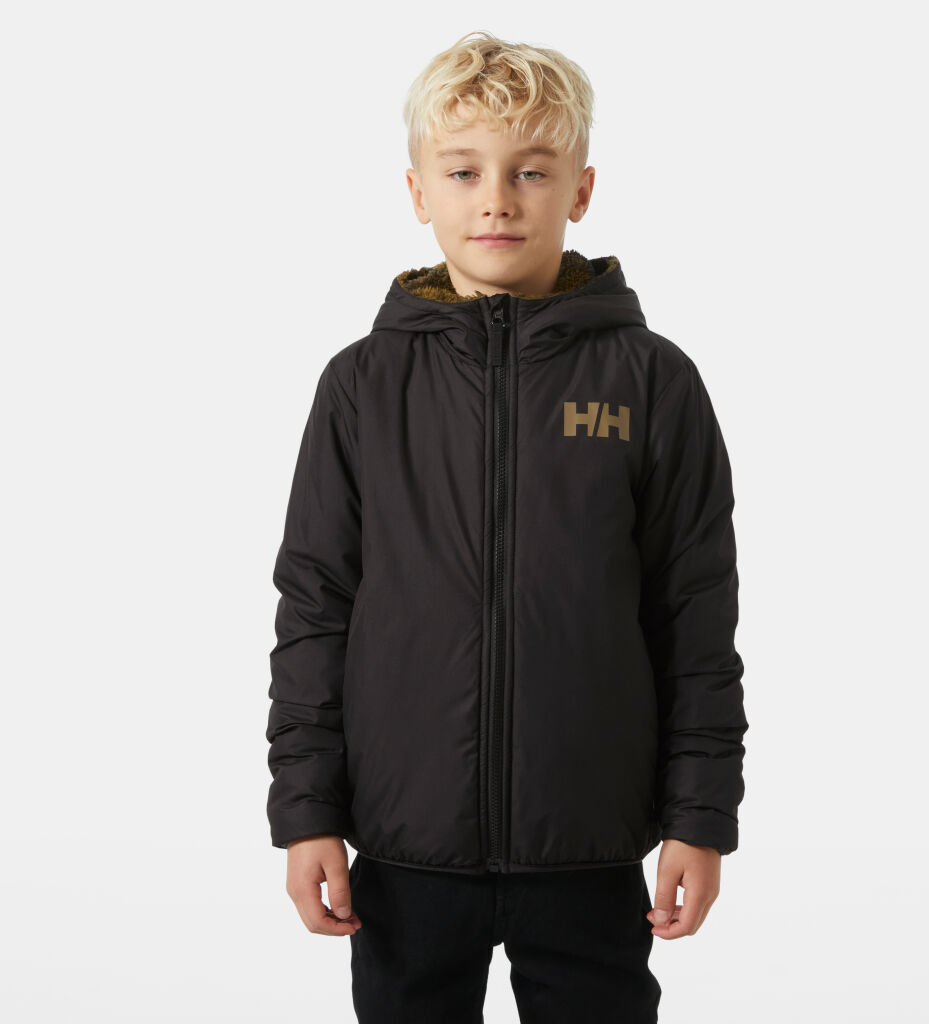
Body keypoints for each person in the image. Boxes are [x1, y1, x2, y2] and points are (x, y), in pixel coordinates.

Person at [265, 29, 748, 1024]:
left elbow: (695, 614)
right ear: (417, 192)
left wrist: (699, 817)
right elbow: (315, 608)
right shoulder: (362, 385)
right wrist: (307, 811)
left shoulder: (651, 381)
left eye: (531, 170)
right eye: (463, 171)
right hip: (406, 844)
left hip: (589, 843)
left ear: (580, 190)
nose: (496, 198)